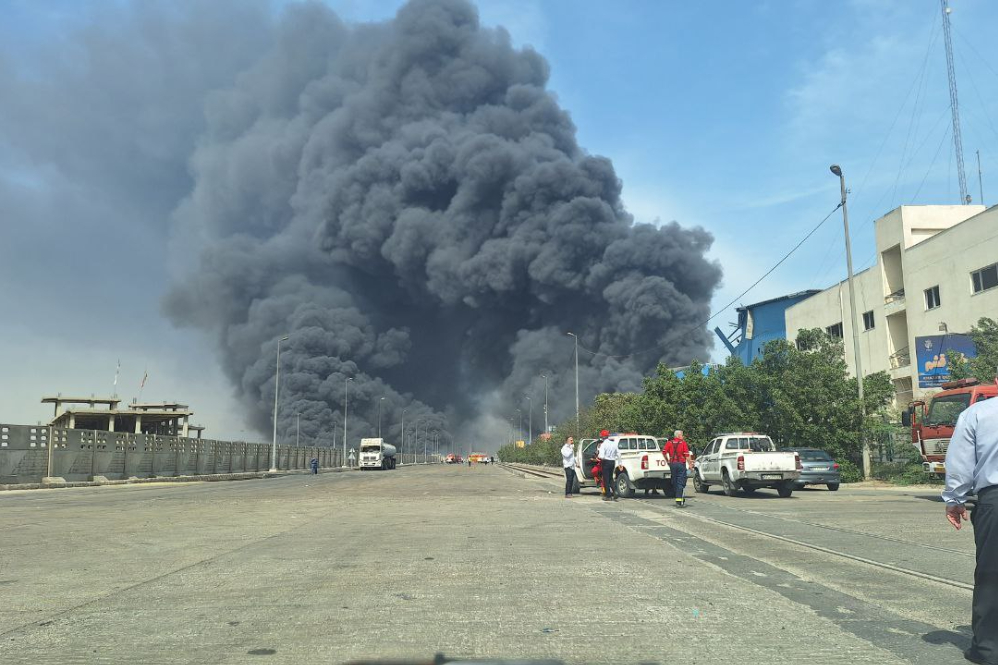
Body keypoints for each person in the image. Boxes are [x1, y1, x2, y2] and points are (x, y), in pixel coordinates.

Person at [943, 386, 998, 665]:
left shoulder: (977, 414)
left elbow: (960, 463)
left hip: (995, 501)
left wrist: (955, 499)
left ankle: (989, 649)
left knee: (992, 575)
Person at [663, 430, 690, 507]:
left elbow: (664, 452)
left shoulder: (669, 443)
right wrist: (690, 464)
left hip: (672, 464)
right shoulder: (683, 443)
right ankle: (679, 499)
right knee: (681, 482)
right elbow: (687, 455)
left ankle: (678, 497)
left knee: (674, 481)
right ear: (678, 435)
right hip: (681, 464)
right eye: (682, 435)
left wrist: (667, 460)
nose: (683, 436)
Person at [597, 430, 619, 501]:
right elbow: (618, 454)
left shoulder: (603, 444)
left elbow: (601, 456)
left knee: (606, 479)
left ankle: (608, 495)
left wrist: (599, 457)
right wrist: (620, 463)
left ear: (602, 436)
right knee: (610, 478)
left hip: (606, 462)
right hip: (613, 462)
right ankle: (615, 491)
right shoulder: (613, 443)